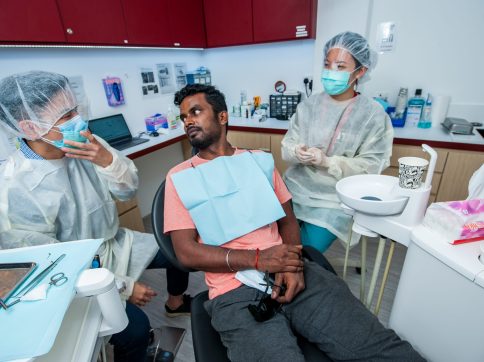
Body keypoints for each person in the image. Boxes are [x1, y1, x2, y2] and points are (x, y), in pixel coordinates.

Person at [164, 84, 423, 361]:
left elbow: (288, 222)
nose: (188, 121)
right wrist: (258, 259)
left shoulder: (258, 162)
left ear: (222, 117)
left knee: (382, 348)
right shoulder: (180, 178)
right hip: (234, 292)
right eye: (183, 117)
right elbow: (186, 253)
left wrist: (295, 266)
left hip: (290, 271)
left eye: (196, 111)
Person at [0, 71, 190, 362]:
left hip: (115, 241)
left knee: (180, 252)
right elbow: (52, 264)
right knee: (135, 328)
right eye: (66, 116)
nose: (79, 120)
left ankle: (175, 304)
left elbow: (128, 190)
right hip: (76, 272)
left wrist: (106, 160)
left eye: (76, 108)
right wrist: (123, 287)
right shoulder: (17, 187)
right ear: (29, 127)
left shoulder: (86, 142)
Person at [281, 31, 394, 252]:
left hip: (334, 200)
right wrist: (297, 151)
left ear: (360, 71)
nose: (331, 72)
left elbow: (371, 168)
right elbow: (287, 145)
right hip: (294, 188)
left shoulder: (372, 115)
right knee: (272, 241)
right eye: (327, 64)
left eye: (340, 67)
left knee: (305, 253)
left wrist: (328, 162)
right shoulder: (309, 105)